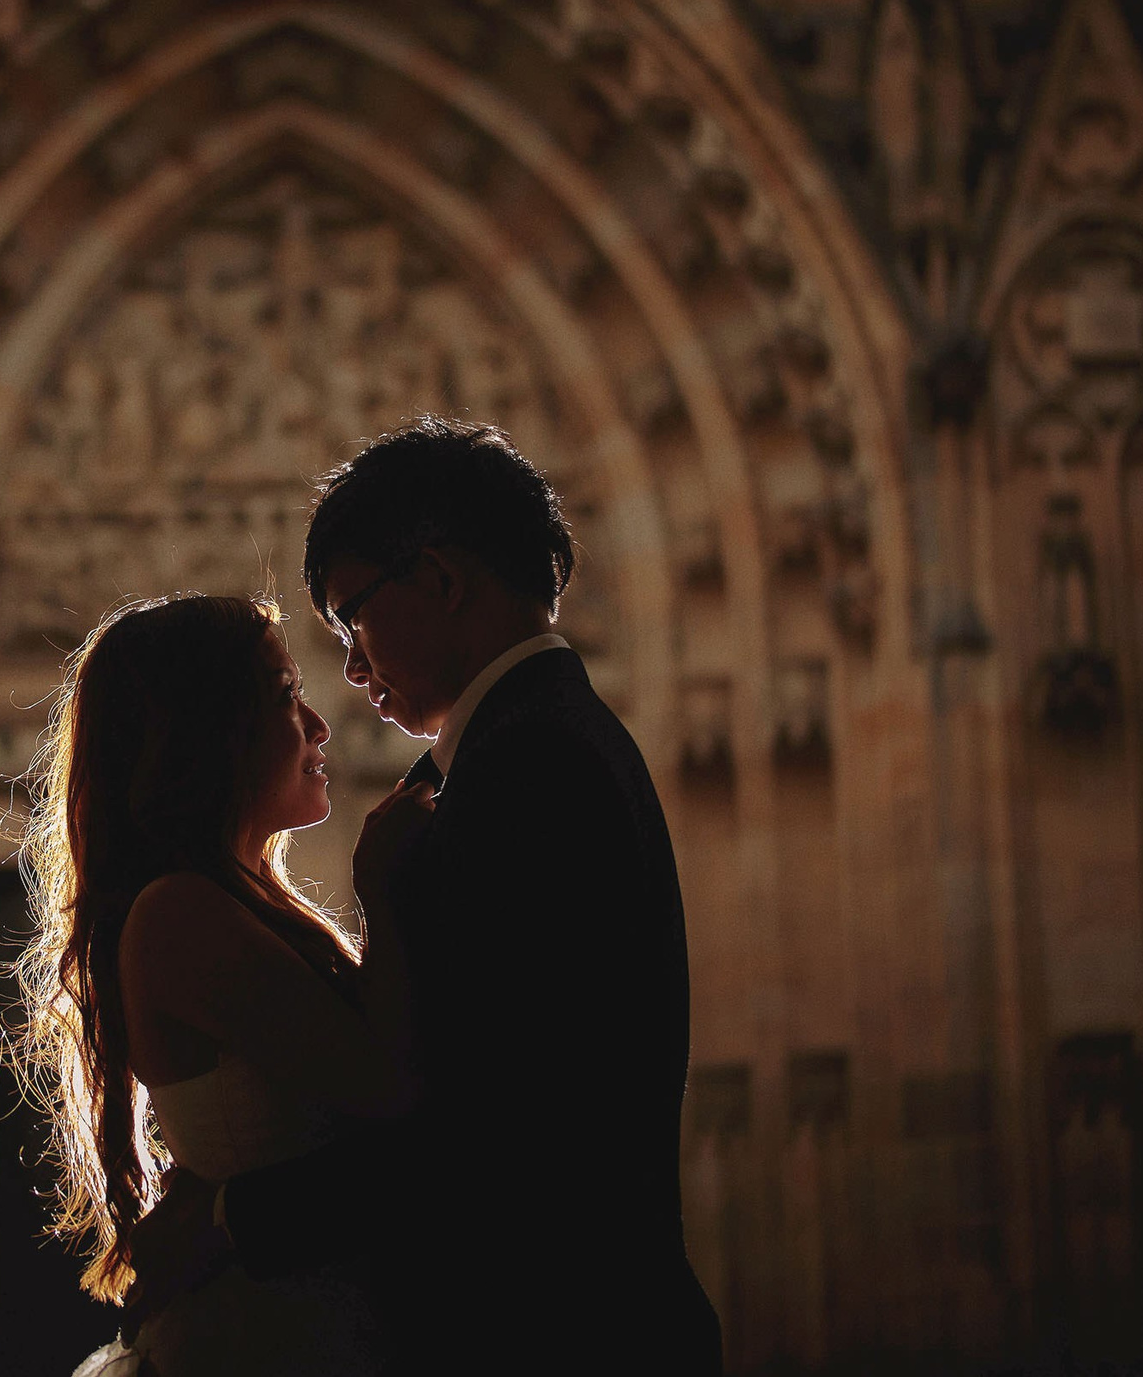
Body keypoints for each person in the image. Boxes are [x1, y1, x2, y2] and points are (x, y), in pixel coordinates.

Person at [129, 418, 723, 1372]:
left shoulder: (531, 767)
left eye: (350, 621)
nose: (353, 670)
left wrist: (229, 1221)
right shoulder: (539, 746)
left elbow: (485, 1133)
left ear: (440, 580)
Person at [13, 592, 430, 1375]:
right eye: (283, 696)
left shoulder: (233, 900)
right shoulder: (181, 914)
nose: (318, 725)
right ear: (205, 736)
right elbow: (392, 1090)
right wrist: (383, 888)